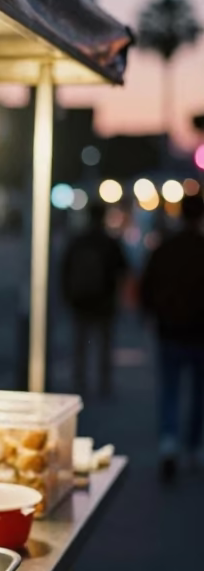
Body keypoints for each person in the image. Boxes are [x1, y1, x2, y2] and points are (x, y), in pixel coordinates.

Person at [140, 191, 204, 480]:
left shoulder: (166, 248)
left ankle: (169, 442)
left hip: (169, 330)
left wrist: (152, 315)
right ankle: (194, 446)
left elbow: (148, 286)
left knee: (170, 389)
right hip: (200, 332)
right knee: (199, 392)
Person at [61, 202, 128, 397]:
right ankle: (104, 384)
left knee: (81, 344)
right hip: (105, 302)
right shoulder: (109, 242)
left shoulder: (79, 241)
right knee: (104, 346)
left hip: (81, 300)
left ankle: (79, 381)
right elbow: (123, 270)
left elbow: (65, 269)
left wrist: (68, 296)